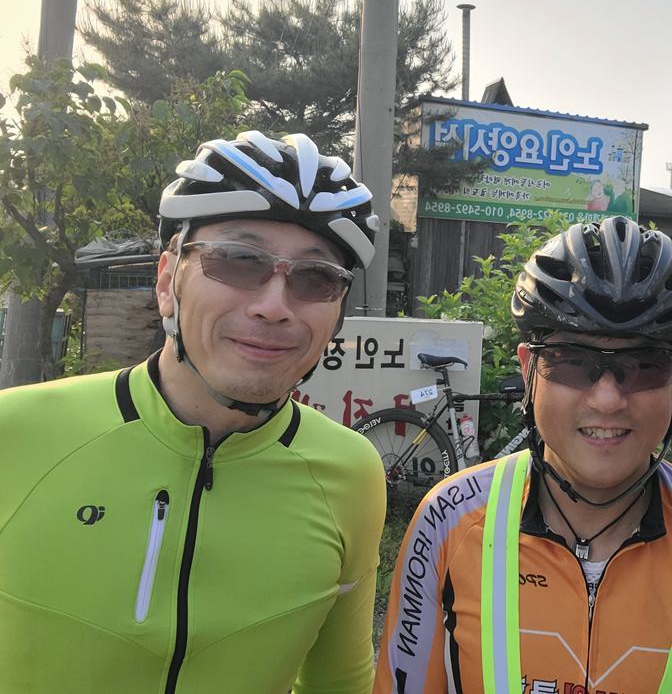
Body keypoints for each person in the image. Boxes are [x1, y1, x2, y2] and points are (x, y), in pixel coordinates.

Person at [0, 131, 387, 693]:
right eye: (239, 261)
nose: (274, 307)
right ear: (167, 282)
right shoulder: (15, 432)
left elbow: (340, 684)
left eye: (316, 278)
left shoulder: (351, 471)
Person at [374, 216, 672, 693]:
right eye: (573, 361)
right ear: (528, 370)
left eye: (644, 365)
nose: (607, 400)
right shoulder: (446, 523)